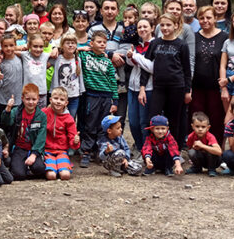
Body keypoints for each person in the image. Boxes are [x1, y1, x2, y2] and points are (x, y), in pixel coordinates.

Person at [138, 14, 191, 146]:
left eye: (168, 25)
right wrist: (142, 88)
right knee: (153, 119)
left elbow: (187, 70)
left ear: (176, 26)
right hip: (159, 87)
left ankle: (174, 150)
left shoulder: (182, 45)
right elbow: (146, 66)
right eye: (162, 25)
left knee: (174, 120)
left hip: (177, 87)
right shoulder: (155, 43)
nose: (165, 28)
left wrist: (187, 91)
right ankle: (152, 149)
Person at [78, 30, 118, 168]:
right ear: (91, 43)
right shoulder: (84, 56)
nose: (102, 44)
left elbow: (113, 81)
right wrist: (81, 48)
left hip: (106, 96)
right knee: (90, 123)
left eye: (104, 42)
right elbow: (69, 50)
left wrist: (115, 100)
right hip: (91, 95)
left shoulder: (107, 61)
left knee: (103, 125)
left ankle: (100, 151)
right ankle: (86, 151)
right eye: (99, 42)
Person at [189, 6, 228, 143]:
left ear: (215, 18)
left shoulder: (224, 37)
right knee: (197, 118)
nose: (205, 20)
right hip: (197, 86)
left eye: (208, 17)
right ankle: (197, 147)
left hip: (216, 86)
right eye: (201, 18)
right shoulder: (194, 37)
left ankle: (215, 148)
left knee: (216, 118)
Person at [1, 85, 48, 180]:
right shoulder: (16, 112)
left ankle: (30, 167)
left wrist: (34, 154)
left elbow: (41, 138)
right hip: (19, 148)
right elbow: (6, 122)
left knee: (39, 169)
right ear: (22, 98)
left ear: (38, 99)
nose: (31, 102)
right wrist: (8, 109)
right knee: (18, 175)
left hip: (34, 148)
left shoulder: (42, 116)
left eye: (34, 99)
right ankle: (21, 167)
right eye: (28, 99)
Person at [125, 19, 155, 149]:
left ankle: (146, 150)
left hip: (148, 88)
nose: (142, 29)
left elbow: (152, 67)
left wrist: (135, 56)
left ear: (152, 28)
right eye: (139, 27)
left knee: (144, 122)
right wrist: (129, 56)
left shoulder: (155, 44)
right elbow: (133, 64)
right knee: (133, 122)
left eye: (145, 26)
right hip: (132, 87)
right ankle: (139, 147)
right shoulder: (137, 45)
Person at [42, 87, 79, 181]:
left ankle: (61, 167)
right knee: (51, 176)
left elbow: (73, 138)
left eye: (62, 100)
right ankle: (53, 168)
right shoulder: (44, 113)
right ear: (50, 100)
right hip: (47, 150)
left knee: (65, 175)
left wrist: (75, 141)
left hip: (61, 151)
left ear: (66, 103)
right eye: (56, 98)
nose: (58, 102)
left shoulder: (68, 118)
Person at [50, 35, 84, 119]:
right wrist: (55, 49)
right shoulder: (57, 58)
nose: (70, 45)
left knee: (70, 118)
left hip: (74, 96)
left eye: (73, 43)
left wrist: (81, 89)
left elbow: (80, 76)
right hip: (59, 96)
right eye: (67, 43)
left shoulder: (78, 59)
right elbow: (44, 63)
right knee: (57, 118)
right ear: (62, 46)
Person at [185, 112, 222, 176]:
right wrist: (194, 148)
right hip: (201, 158)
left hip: (214, 160)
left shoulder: (210, 136)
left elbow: (219, 152)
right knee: (191, 152)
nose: (200, 129)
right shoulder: (191, 136)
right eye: (197, 126)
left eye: (203, 127)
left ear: (208, 128)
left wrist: (202, 146)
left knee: (212, 150)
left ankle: (212, 169)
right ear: (192, 126)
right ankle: (197, 167)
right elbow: (189, 149)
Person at [0, 33, 25, 108]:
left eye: (11, 45)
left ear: (15, 45)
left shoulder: (21, 59)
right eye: (5, 46)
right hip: (3, 99)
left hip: (18, 99)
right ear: (1, 47)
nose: (8, 48)